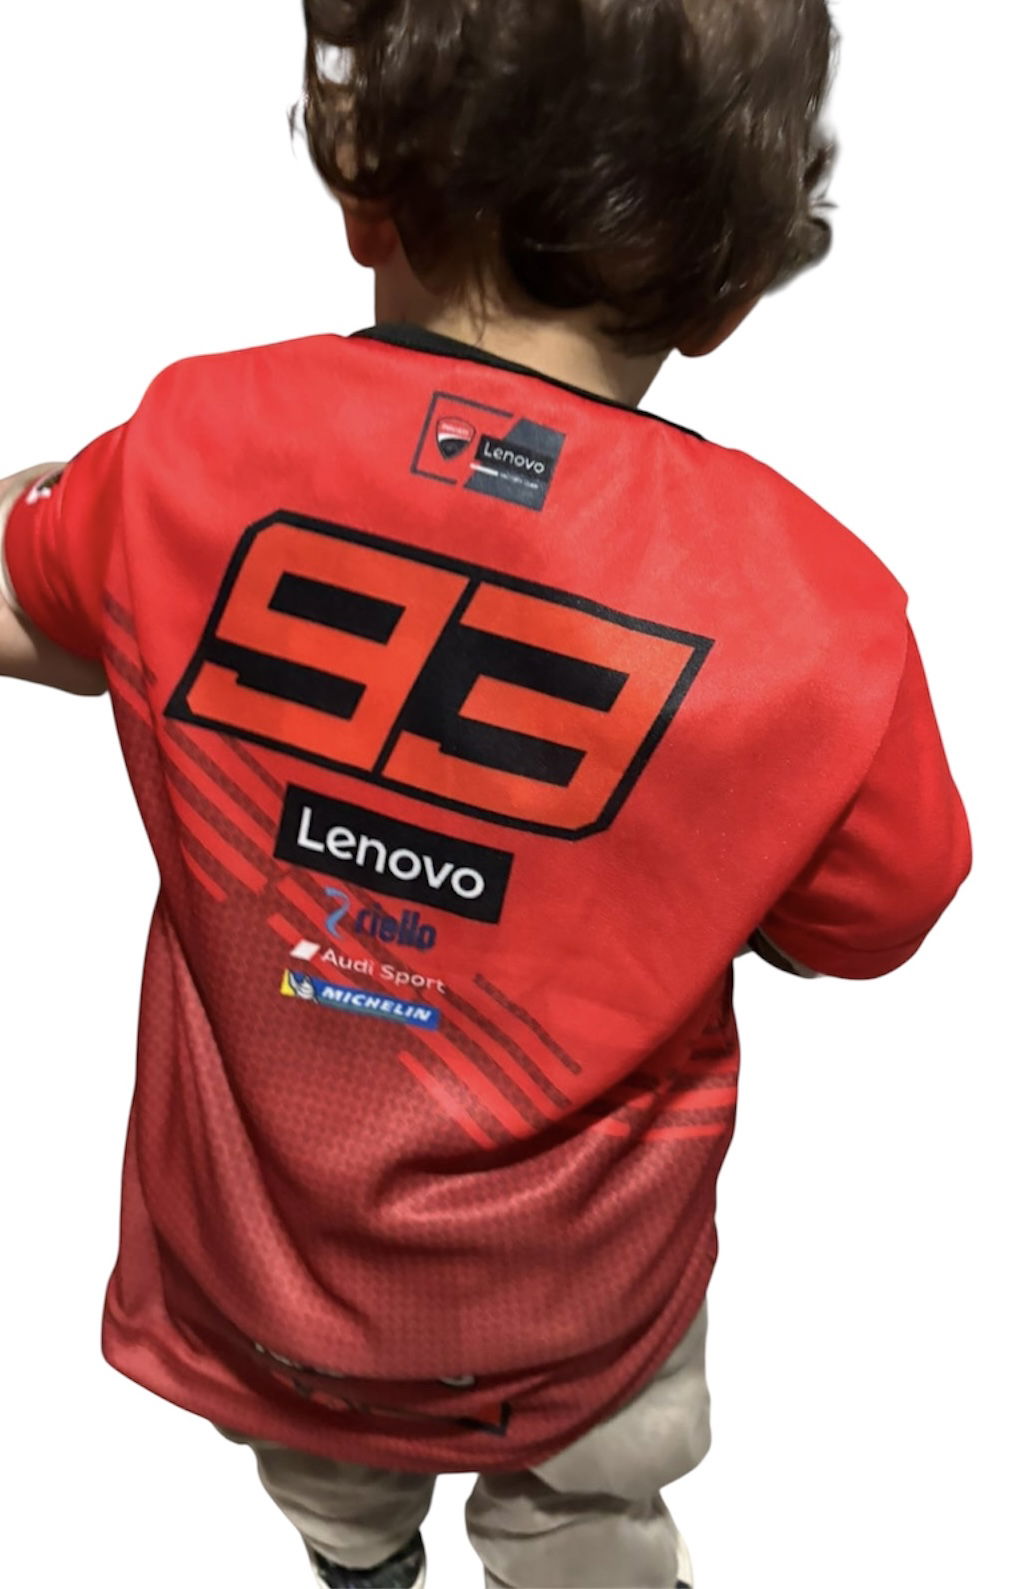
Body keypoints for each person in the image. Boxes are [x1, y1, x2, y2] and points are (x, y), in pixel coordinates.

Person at [0, 1, 972, 1586]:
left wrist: (92, 544)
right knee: (594, 1497)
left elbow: (27, 592)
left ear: (365, 187)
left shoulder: (192, 445)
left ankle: (360, 1559)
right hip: (584, 1297)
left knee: (327, 1477)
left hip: (271, 1281)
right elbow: (873, 918)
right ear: (727, 290)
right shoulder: (817, 614)